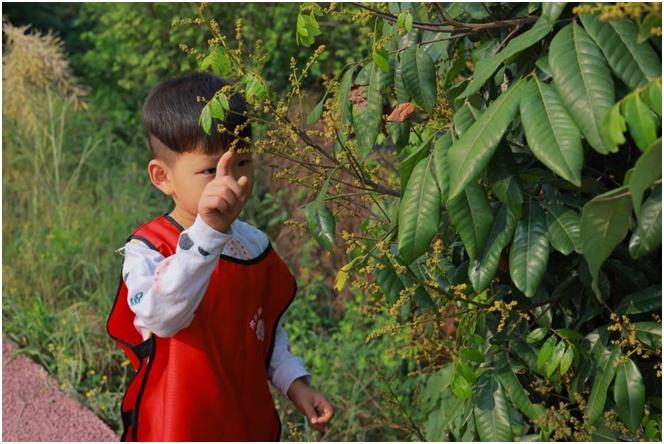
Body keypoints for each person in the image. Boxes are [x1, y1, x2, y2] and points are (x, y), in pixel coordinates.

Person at [107, 71, 334, 442]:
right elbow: (162, 318)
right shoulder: (148, 249)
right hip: (180, 422)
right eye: (210, 170)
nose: (231, 180)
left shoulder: (253, 244)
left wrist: (297, 384)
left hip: (243, 420)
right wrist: (207, 236)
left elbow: (264, 331)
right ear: (162, 177)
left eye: (242, 163)